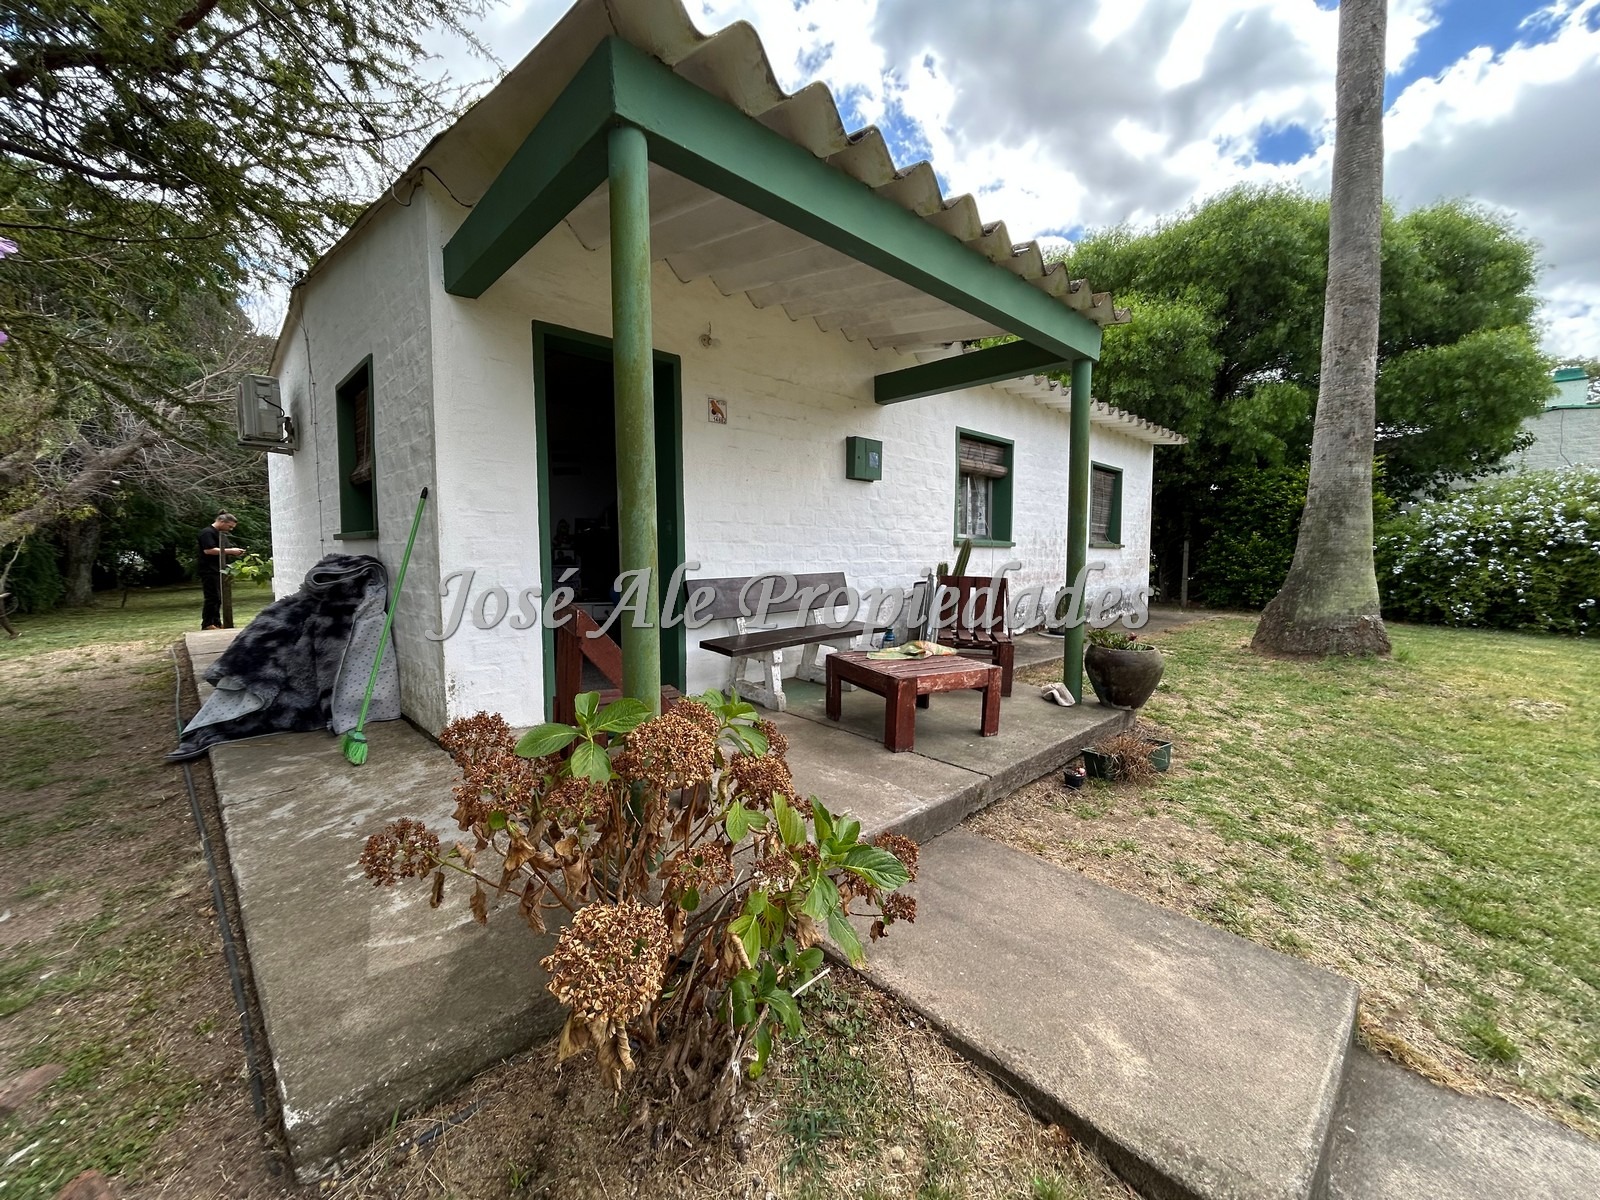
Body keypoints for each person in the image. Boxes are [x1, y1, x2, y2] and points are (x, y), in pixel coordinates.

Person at [197, 513, 245, 629]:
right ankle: (208, 623)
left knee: (218, 598)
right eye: (229, 526)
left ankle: (216, 623)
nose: (230, 529)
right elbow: (209, 550)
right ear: (222, 522)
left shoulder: (219, 534)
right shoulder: (207, 533)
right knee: (212, 597)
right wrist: (231, 551)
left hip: (219, 569)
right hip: (209, 570)